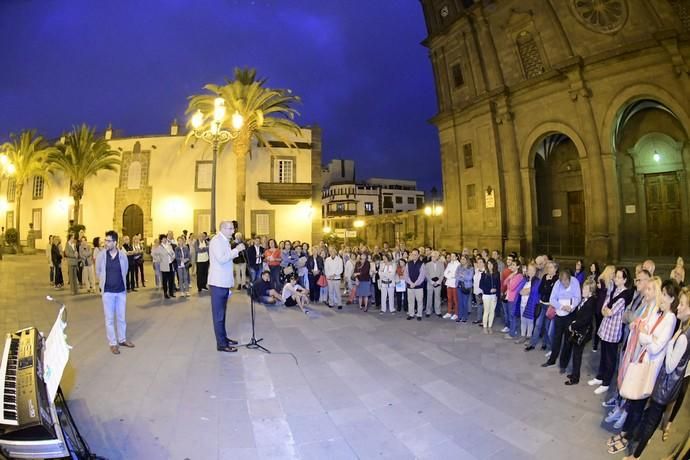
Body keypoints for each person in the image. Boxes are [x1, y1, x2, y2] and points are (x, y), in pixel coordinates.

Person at [607, 278, 678, 455]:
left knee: (638, 404)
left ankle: (628, 436)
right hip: (642, 360)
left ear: (670, 298)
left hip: (650, 367)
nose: (660, 297)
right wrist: (647, 336)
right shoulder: (659, 313)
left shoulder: (670, 318)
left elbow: (655, 346)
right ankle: (624, 432)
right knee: (633, 401)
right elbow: (643, 333)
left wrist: (646, 336)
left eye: (663, 294)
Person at [621, 285, 689, 460]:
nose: (679, 307)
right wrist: (651, 338)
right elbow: (647, 335)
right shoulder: (679, 327)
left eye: (682, 304)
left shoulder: (681, 333)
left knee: (651, 419)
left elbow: (668, 362)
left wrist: (666, 344)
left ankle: (636, 456)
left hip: (665, 383)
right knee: (648, 415)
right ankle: (635, 444)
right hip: (661, 378)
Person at [589, 267, 634, 395]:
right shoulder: (614, 290)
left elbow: (611, 312)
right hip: (606, 328)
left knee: (610, 358)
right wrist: (606, 310)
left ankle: (606, 382)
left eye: (619, 277)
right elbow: (605, 307)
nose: (616, 279)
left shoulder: (624, 294)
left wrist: (607, 311)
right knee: (603, 355)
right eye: (616, 276)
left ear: (625, 279)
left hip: (614, 330)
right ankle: (599, 377)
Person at [95, 230, 135, 355]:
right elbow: (98, 271)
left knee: (121, 317)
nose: (106, 243)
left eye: (109, 241)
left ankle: (122, 339)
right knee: (109, 319)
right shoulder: (102, 255)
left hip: (121, 291)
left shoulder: (122, 255)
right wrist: (103, 283)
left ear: (115, 242)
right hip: (107, 292)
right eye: (105, 240)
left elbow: (125, 269)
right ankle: (113, 343)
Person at [208, 220, 245, 353]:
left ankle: (223, 338)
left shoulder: (224, 241)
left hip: (223, 282)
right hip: (217, 283)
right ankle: (221, 344)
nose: (233, 231)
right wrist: (236, 250)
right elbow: (222, 259)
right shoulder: (217, 241)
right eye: (230, 229)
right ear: (222, 229)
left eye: (233, 229)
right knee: (218, 315)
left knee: (222, 314)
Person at [542, 270, 581, 368]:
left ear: (569, 279)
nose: (564, 284)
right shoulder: (557, 283)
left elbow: (577, 298)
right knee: (556, 338)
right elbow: (552, 299)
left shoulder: (575, 282)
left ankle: (563, 364)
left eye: (566, 282)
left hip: (570, 315)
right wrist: (562, 306)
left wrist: (571, 307)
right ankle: (552, 360)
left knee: (568, 340)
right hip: (559, 314)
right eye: (562, 282)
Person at [562, 278, 597, 385]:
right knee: (576, 353)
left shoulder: (590, 302)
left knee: (577, 355)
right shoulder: (585, 300)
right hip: (579, 330)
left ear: (590, 291)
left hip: (582, 332)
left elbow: (585, 320)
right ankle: (574, 373)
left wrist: (573, 325)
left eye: (585, 289)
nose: (582, 290)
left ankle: (575, 378)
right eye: (583, 288)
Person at [526, 261, 558, 352]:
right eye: (548, 267)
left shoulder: (556, 279)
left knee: (547, 326)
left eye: (551, 267)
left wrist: (547, 283)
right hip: (542, 303)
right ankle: (532, 344)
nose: (549, 269)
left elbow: (551, 292)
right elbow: (540, 290)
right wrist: (547, 284)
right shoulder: (544, 276)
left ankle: (545, 344)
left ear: (555, 269)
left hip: (549, 306)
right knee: (538, 324)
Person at [405, 249, 426, 321]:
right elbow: (406, 274)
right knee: (410, 301)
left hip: (419, 286)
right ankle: (411, 314)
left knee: (419, 301)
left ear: (418, 255)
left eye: (415, 254)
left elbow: (422, 276)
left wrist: (415, 284)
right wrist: (411, 283)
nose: (414, 256)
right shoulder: (408, 263)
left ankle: (419, 314)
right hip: (410, 286)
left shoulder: (421, 264)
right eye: (412, 254)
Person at [480, 258, 500, 334]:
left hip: (494, 295)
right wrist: (489, 290)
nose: (489, 265)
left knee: (492, 311)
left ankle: (490, 326)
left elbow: (498, 285)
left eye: (491, 264)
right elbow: (481, 285)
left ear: (494, 265)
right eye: (488, 264)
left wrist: (496, 291)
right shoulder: (484, 274)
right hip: (486, 295)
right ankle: (485, 327)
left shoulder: (497, 274)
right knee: (486, 311)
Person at [155, 234, 176, 299]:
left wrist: (173, 257)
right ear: (161, 240)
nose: (165, 239)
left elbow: (173, 253)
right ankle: (165, 293)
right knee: (165, 280)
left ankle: (171, 292)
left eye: (165, 238)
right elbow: (156, 256)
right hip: (164, 265)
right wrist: (160, 259)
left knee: (171, 279)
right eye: (163, 238)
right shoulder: (159, 247)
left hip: (170, 264)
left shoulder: (169, 245)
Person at [443, 253, 459, 320]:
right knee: (449, 299)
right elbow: (445, 273)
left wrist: (450, 274)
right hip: (449, 283)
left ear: (456, 257)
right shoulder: (449, 264)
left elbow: (455, 274)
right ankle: (449, 312)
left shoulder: (458, 264)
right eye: (451, 256)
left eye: (453, 256)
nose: (452, 257)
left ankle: (456, 313)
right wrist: (450, 275)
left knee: (455, 299)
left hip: (454, 284)